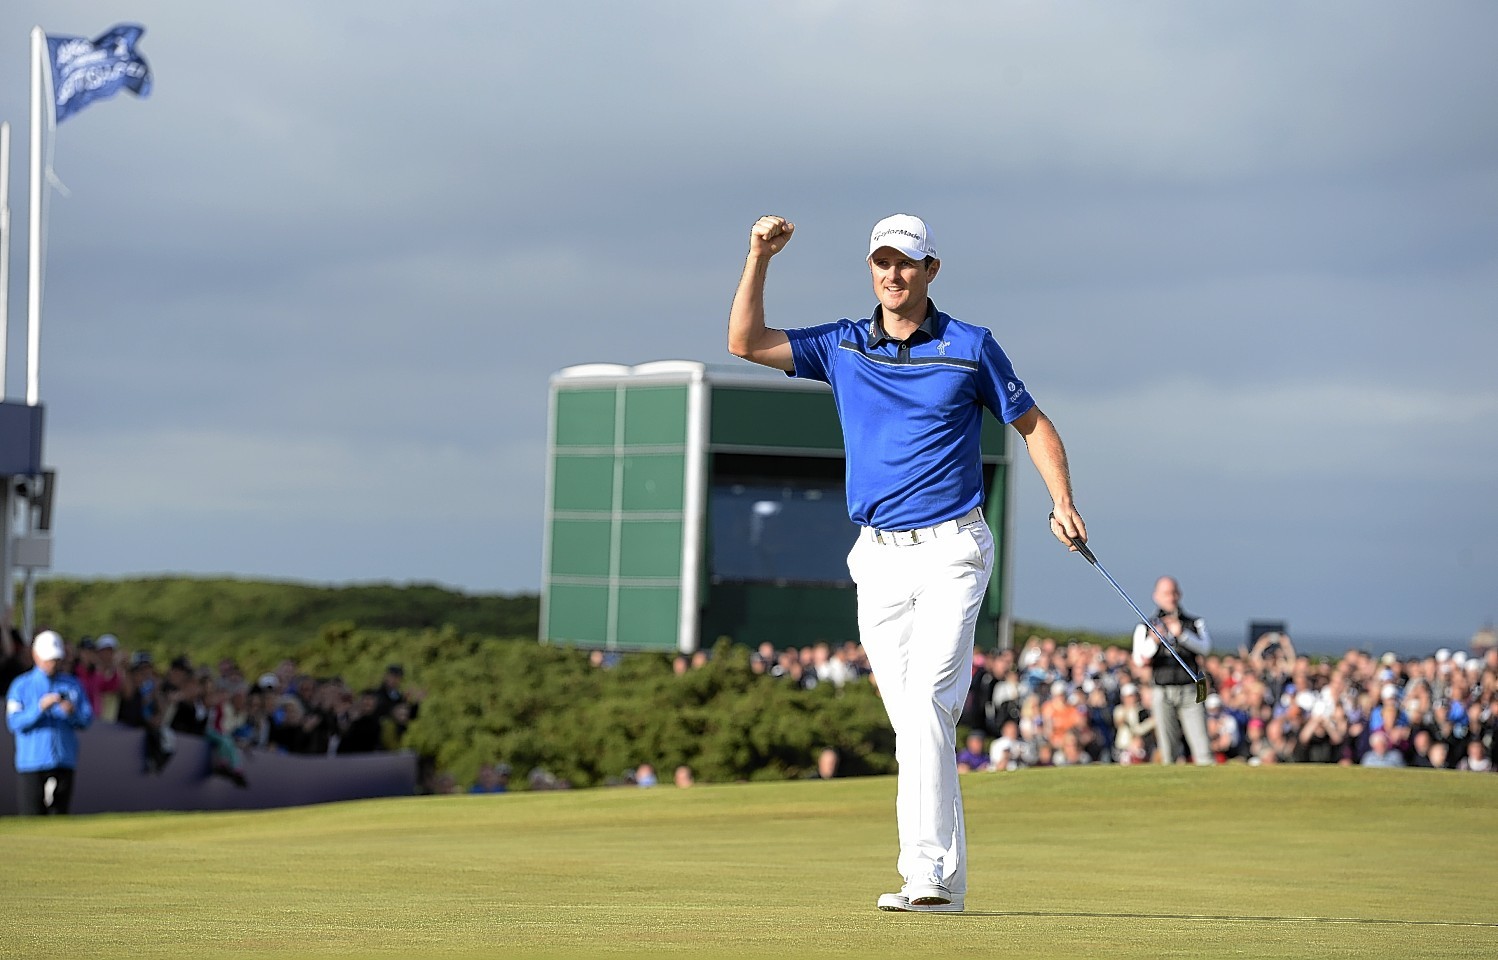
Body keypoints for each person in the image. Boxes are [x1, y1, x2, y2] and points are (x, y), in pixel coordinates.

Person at [729, 213, 1087, 914]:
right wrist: (758, 257)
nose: (893, 274)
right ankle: (944, 884)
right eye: (882, 262)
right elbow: (744, 342)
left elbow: (1033, 424)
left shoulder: (969, 346)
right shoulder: (842, 344)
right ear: (872, 270)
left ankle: (924, 873)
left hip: (953, 548)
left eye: (906, 263)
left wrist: (1063, 500)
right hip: (878, 556)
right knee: (917, 721)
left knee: (925, 704)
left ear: (931, 270)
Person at [6, 631, 94, 815]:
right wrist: (39, 708)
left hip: (64, 761)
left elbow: (86, 719)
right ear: (36, 655)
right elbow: (14, 722)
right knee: (31, 820)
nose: (52, 664)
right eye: (48, 659)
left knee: (60, 818)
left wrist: (71, 713)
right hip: (31, 763)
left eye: (55, 659)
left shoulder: (72, 684)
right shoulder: (21, 685)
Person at [1131, 577, 1212, 765]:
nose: (1171, 598)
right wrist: (1154, 640)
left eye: (1174, 593)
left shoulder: (1194, 623)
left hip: (1192, 689)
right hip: (1162, 690)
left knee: (1201, 743)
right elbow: (1139, 659)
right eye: (1166, 594)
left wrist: (1182, 634)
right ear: (1156, 596)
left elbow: (1205, 648)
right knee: (1167, 747)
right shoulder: (1145, 626)